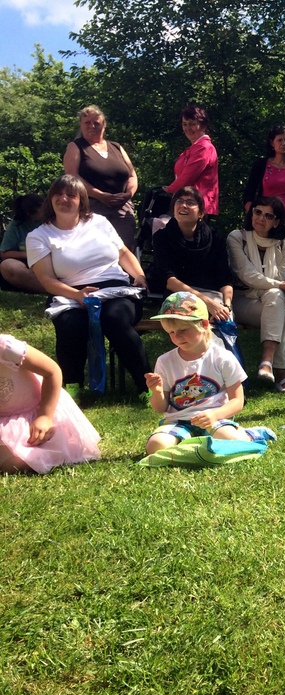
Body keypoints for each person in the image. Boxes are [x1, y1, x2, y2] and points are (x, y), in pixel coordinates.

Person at [26, 174, 151, 394]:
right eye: (58, 194)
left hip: (115, 288)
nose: (64, 199)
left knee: (115, 319)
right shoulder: (39, 236)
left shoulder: (99, 222)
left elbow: (123, 253)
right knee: (70, 326)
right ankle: (73, 388)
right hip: (69, 293)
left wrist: (139, 276)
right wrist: (77, 295)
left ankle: (148, 387)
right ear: (50, 198)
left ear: (81, 201)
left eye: (71, 195)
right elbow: (47, 280)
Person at [144, 293, 274, 455]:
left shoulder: (223, 357)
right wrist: (156, 391)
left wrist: (214, 415)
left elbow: (237, 401)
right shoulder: (165, 361)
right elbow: (160, 408)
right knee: (155, 446)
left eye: (183, 330)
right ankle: (195, 444)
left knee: (231, 439)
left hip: (215, 419)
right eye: (171, 332)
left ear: (204, 324)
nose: (177, 336)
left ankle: (250, 435)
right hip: (177, 421)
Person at [227, 197, 285, 393]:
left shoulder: (284, 245)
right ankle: (280, 372)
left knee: (276, 298)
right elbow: (247, 275)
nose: (261, 218)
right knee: (282, 310)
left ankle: (267, 363)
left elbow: (277, 282)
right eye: (257, 212)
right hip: (242, 300)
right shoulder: (237, 237)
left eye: (268, 216)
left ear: (276, 222)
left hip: (270, 302)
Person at [0, 333, 100, 474]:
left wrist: (45, 417)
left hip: (39, 410)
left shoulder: (6, 348)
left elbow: (52, 371)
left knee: (13, 463)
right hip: (4, 419)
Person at [149, 187, 234, 322]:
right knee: (193, 319)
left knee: (223, 321)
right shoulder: (162, 237)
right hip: (179, 295)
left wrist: (226, 306)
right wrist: (207, 302)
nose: (183, 205)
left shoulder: (215, 237)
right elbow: (169, 280)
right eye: (179, 201)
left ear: (201, 213)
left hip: (213, 295)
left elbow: (224, 277)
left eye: (190, 202)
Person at [62, 105, 138, 250]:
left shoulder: (116, 147)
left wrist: (128, 194)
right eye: (87, 122)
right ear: (81, 125)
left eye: (96, 123)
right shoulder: (76, 147)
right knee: (95, 251)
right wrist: (100, 195)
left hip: (122, 209)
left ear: (104, 125)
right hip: (91, 208)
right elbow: (72, 177)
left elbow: (132, 175)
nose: (92, 126)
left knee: (124, 251)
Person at [241, 124, 285, 268]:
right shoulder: (261, 165)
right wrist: (254, 216)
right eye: (280, 140)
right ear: (272, 143)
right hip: (266, 220)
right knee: (263, 263)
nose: (284, 143)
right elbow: (248, 195)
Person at [164, 105, 219, 217]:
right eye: (184, 124)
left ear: (203, 126)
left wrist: (169, 189)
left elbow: (188, 176)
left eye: (192, 124)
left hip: (197, 206)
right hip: (186, 204)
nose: (187, 128)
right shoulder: (192, 149)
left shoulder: (204, 147)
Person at [0, 194, 45, 294]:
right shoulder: (16, 226)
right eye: (42, 209)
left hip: (51, 262)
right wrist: (29, 255)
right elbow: (4, 253)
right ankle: (51, 289)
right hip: (27, 264)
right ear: (29, 213)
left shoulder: (54, 221)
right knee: (7, 266)